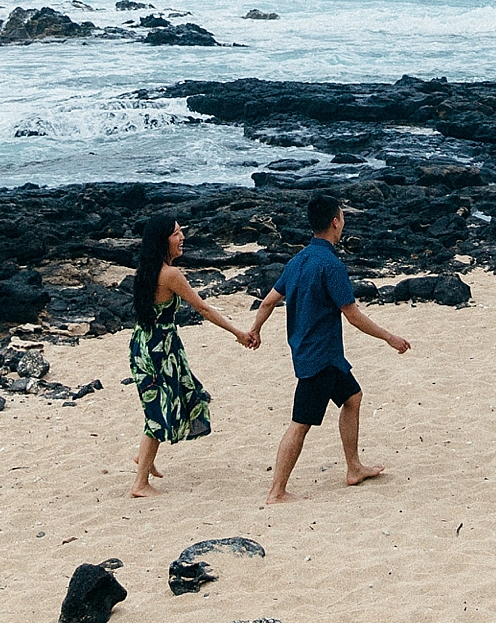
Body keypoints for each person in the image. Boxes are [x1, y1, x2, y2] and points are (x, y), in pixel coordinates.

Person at [244, 194, 408, 503]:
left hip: (323, 355)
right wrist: (389, 337)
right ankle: (276, 491)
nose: (343, 222)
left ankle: (354, 468)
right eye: (342, 218)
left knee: (353, 397)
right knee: (300, 424)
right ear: (335, 222)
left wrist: (255, 329)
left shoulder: (298, 260)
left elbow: (268, 301)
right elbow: (353, 314)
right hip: (318, 357)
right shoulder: (331, 265)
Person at [127, 215, 258, 498]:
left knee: (168, 401)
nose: (182, 237)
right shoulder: (170, 275)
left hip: (144, 343)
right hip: (160, 349)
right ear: (164, 241)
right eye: (176, 233)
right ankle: (140, 484)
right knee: (162, 408)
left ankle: (144, 458)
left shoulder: (146, 271)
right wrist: (237, 332)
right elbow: (204, 309)